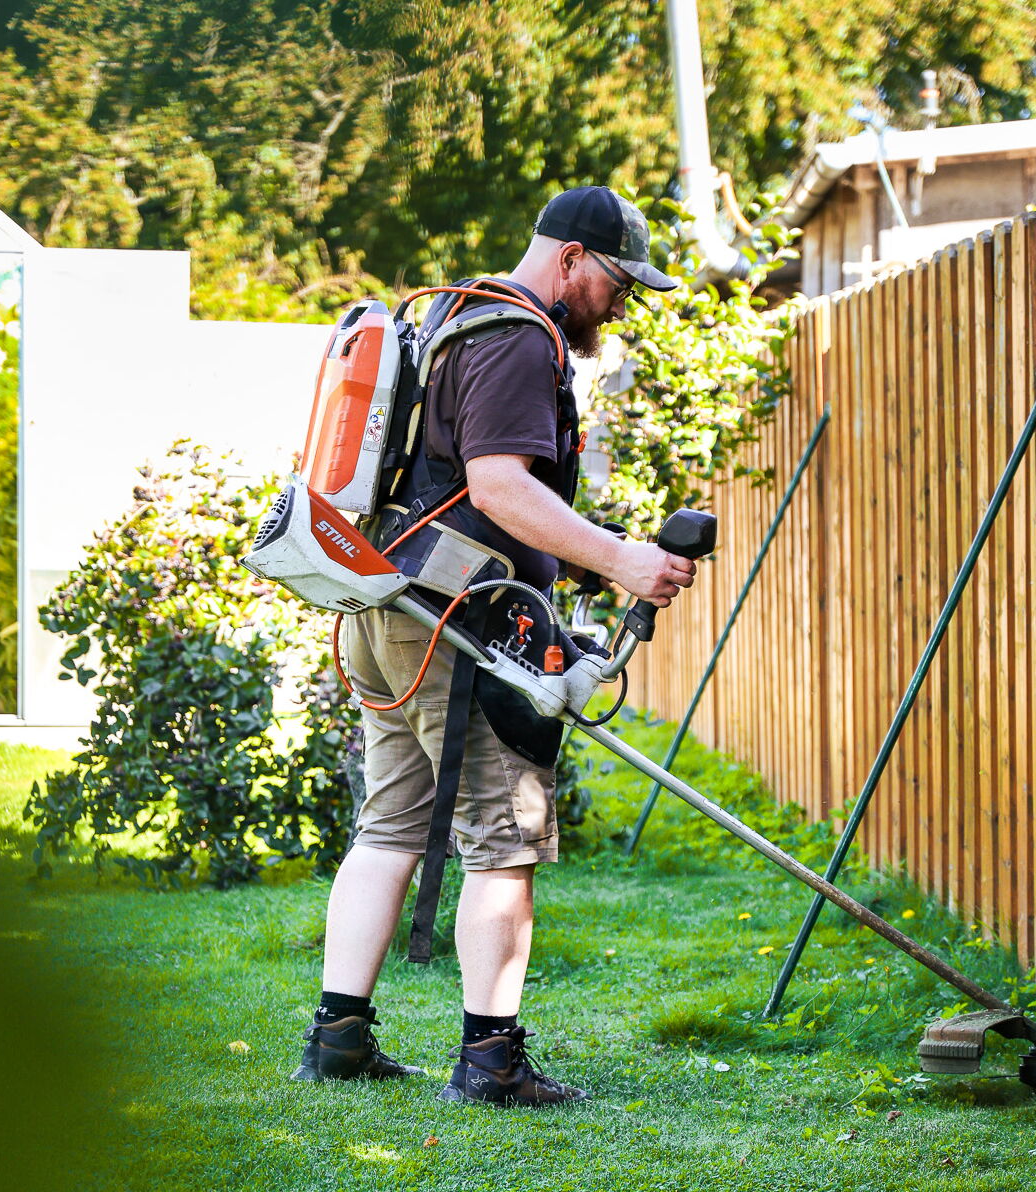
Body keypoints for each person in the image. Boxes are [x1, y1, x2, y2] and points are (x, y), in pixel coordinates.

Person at [290, 186, 696, 1106]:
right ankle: (490, 1061)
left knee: (388, 825)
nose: (620, 300)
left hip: (385, 602)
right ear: (569, 260)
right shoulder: (519, 337)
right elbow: (501, 488)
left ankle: (339, 1039)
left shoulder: (448, 315)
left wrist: (582, 565)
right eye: (616, 279)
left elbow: (461, 488)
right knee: (502, 841)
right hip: (452, 625)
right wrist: (625, 561)